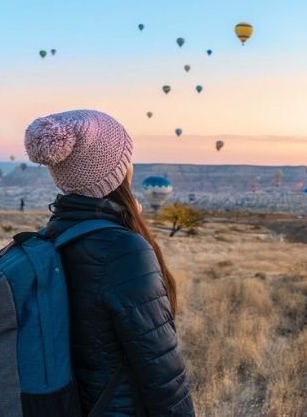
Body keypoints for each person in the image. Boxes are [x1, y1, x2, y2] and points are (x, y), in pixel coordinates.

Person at [24, 110, 195, 417]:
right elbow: (162, 371)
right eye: (126, 157)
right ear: (116, 170)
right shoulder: (123, 249)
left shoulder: (51, 235)